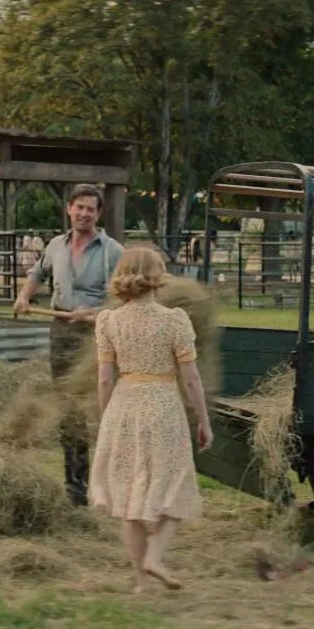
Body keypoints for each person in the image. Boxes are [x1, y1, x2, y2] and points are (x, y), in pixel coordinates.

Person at [87, 245, 213, 593]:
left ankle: (141, 583)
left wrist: (106, 418)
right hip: (162, 405)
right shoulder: (174, 320)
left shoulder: (109, 322)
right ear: (158, 276)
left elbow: (103, 379)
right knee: (176, 480)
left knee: (129, 496)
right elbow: (191, 378)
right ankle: (155, 556)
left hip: (124, 405)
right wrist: (204, 420)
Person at [14, 183, 123, 506]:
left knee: (99, 405)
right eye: (80, 207)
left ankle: (110, 483)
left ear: (99, 214)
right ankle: (75, 488)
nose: (84, 213)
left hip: (96, 335)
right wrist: (24, 295)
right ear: (69, 209)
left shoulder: (112, 251)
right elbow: (38, 273)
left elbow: (126, 297)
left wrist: (96, 313)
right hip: (60, 330)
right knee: (68, 408)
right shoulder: (55, 247)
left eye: (91, 209)